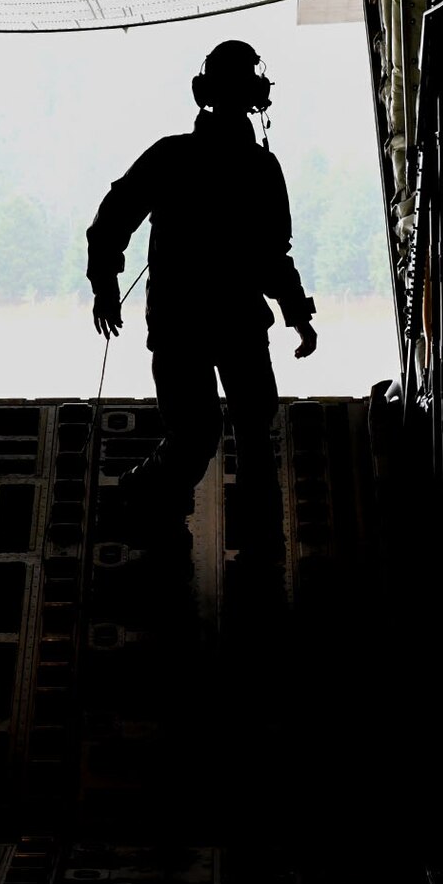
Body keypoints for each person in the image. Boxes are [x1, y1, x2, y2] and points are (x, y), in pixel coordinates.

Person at [85, 39, 319, 526]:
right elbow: (274, 255)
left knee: (198, 436)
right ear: (257, 95)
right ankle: (250, 544)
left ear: (202, 91)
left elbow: (114, 218)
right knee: (250, 436)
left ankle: (136, 505)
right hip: (228, 322)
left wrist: (106, 283)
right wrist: (296, 315)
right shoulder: (258, 168)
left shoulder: (174, 156)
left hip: (183, 322)